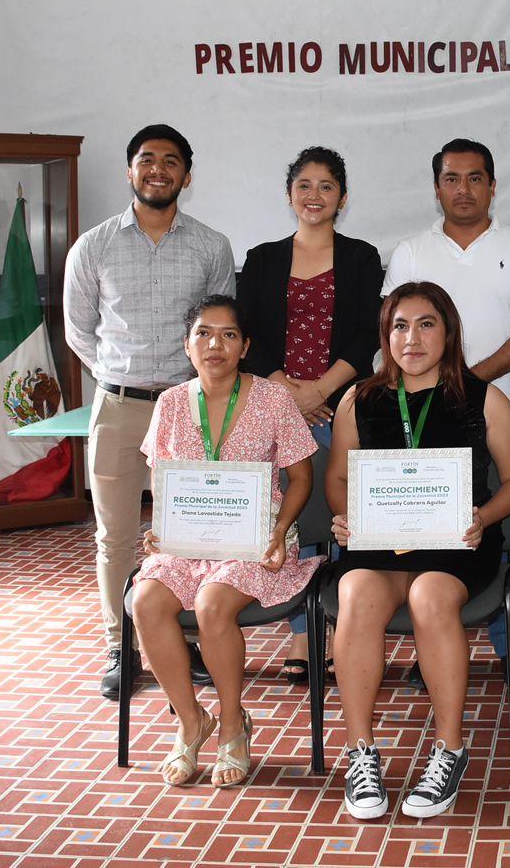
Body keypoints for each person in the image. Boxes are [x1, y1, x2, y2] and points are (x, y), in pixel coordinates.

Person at [326, 282, 510, 820]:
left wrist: (483, 517)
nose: (411, 338)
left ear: (449, 332)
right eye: (399, 325)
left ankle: (449, 748)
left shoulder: (484, 396)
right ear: (384, 335)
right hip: (381, 541)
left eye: (426, 324)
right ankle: (361, 751)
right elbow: (338, 477)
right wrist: (346, 516)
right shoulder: (359, 398)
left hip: (456, 544)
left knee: (430, 597)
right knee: (355, 592)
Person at [64, 123, 236, 698]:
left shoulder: (212, 246)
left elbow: (217, 328)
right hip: (119, 406)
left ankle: (180, 637)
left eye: (170, 161)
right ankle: (119, 645)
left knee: (187, 533)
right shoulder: (94, 246)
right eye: (146, 160)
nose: (157, 169)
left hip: (190, 408)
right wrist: (119, 375)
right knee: (114, 535)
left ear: (187, 175)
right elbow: (78, 331)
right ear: (129, 171)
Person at [131, 295, 321, 786]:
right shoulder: (170, 403)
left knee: (214, 604)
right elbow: (162, 480)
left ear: (245, 347)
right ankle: (193, 722)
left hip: (259, 536)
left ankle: (233, 723)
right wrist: (162, 527)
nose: (215, 344)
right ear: (187, 345)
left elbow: (302, 479)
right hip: (191, 542)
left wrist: (280, 533)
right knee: (146, 601)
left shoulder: (273, 399)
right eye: (203, 333)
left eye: (228, 335)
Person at [383, 138, 510, 666]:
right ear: (437, 189)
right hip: (425, 424)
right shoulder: (412, 252)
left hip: (506, 412)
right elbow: (394, 329)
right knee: (427, 532)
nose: (463, 189)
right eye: (452, 179)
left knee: (503, 538)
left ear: (492, 186)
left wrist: (466, 385)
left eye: (475, 178)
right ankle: (431, 647)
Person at [239, 147, 384, 683]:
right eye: (304, 185)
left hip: (340, 403)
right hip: (274, 405)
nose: (314, 195)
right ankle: (303, 633)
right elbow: (246, 336)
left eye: (326, 186)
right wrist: (287, 393)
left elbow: (367, 335)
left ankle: (350, 624)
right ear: (289, 195)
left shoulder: (363, 257)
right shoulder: (262, 258)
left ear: (342, 198)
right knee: (290, 513)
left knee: (340, 509)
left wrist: (319, 390)